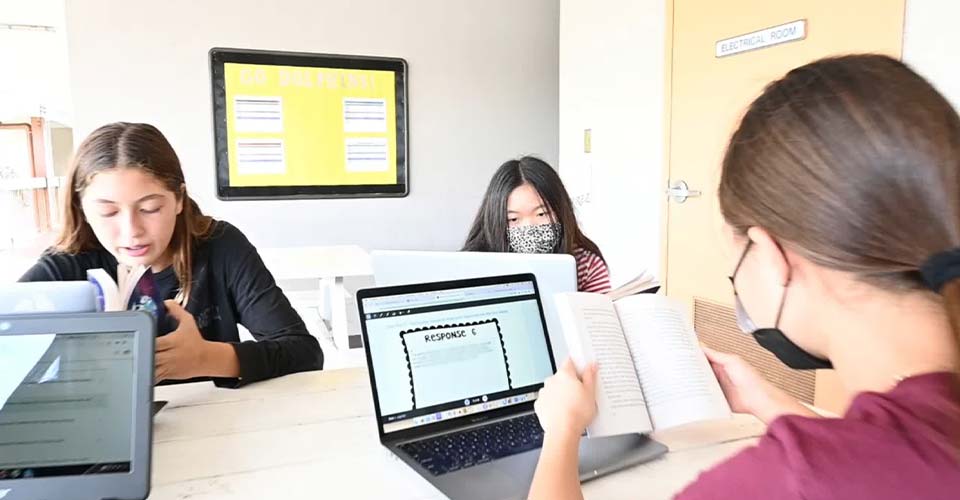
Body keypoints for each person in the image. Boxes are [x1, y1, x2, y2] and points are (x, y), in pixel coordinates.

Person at [528, 54, 960, 499]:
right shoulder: (932, 414)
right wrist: (768, 403)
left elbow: (837, 471)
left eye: (735, 259)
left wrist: (561, 432)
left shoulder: (792, 477)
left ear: (772, 256)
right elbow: (882, 464)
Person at [20, 122, 323, 387]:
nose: (131, 231)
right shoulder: (66, 265)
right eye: (107, 212)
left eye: (150, 208)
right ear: (82, 209)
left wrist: (206, 358)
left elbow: (303, 352)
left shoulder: (220, 247)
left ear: (179, 199)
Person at [463, 156, 611, 293]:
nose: (530, 228)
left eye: (541, 214)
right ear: (496, 221)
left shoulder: (585, 265)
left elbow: (597, 318)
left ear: (560, 211)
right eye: (513, 219)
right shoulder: (474, 263)